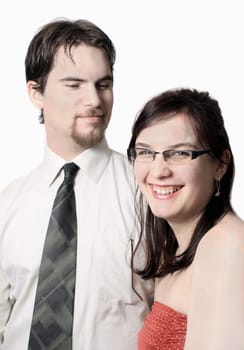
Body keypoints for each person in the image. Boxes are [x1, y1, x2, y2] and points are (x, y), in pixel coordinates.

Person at [0, 18, 153, 350]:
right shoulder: (8, 203)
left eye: (103, 84)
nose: (95, 100)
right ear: (35, 93)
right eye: (74, 85)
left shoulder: (148, 190)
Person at [127, 88, 244, 349]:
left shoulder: (227, 245)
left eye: (179, 153)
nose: (158, 171)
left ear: (220, 164)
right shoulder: (174, 252)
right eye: (146, 152)